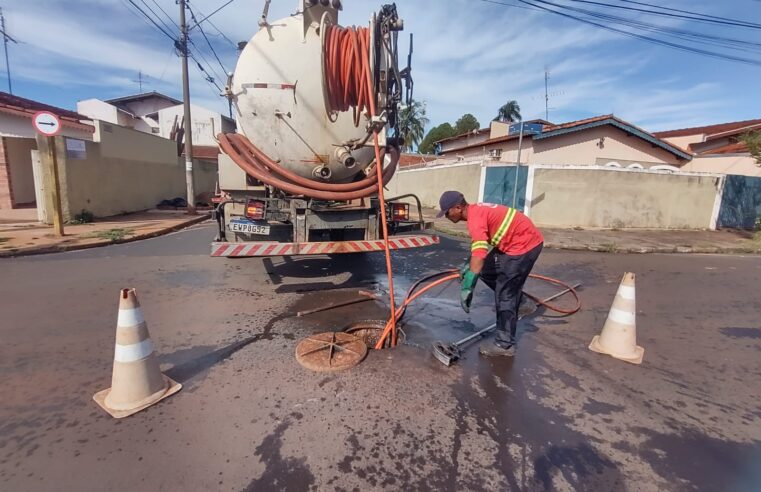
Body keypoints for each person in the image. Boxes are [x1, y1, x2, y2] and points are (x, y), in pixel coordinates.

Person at [437, 191, 544, 357]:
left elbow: (479, 252)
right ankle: (522, 302)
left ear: (457, 208)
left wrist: (468, 285)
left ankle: (505, 344)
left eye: (447, 212)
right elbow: (479, 247)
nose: (446, 216)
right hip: (514, 241)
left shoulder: (475, 220)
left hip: (523, 246)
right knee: (486, 270)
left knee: (505, 295)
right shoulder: (475, 212)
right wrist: (469, 265)